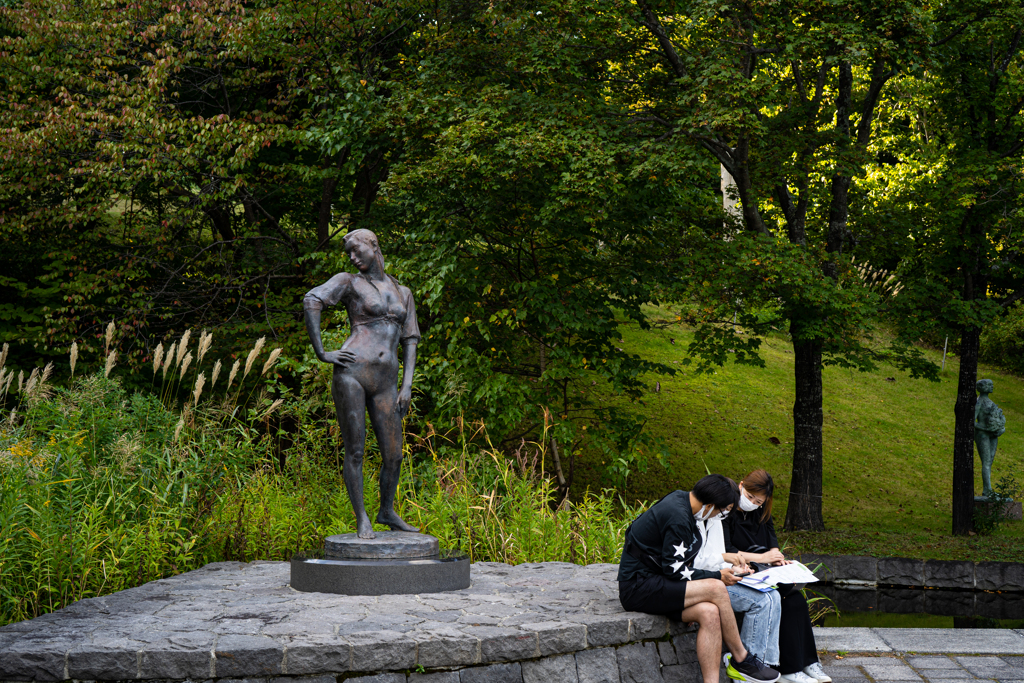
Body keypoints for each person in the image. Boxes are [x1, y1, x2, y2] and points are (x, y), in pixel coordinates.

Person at [303, 229, 420, 539]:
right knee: (355, 450)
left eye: (357, 251)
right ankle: (362, 518)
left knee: (394, 454)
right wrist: (322, 352)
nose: (353, 258)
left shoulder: (402, 291)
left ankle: (387, 510)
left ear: (373, 244)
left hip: (387, 382)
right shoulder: (349, 281)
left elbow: (410, 341)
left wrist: (407, 386)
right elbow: (312, 299)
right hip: (352, 373)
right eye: (349, 254)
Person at [618, 474, 780, 683]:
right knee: (716, 587)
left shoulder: (683, 501)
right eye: (723, 511)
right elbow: (675, 571)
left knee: (710, 612)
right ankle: (741, 658)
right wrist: (717, 576)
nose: (721, 517)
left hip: (658, 583)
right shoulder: (679, 518)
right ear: (711, 505)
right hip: (639, 587)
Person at [723, 470, 830, 683]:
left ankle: (806, 663)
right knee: (780, 598)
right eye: (750, 496)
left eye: (758, 501)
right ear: (741, 485)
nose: (752, 503)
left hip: (762, 572)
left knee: (796, 600)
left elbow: (772, 545)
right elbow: (726, 551)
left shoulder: (762, 513)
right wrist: (763, 557)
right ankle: (780, 667)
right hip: (741, 572)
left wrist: (779, 561)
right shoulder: (727, 511)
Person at [690, 481, 782, 676]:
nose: (726, 514)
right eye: (727, 509)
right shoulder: (703, 518)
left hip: (722, 575)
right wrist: (727, 563)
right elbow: (700, 562)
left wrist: (737, 568)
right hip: (706, 581)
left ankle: (763, 663)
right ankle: (748, 666)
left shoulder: (716, 518)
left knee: (772, 595)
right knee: (763, 600)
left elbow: (719, 555)